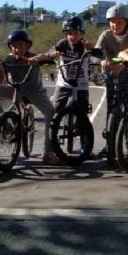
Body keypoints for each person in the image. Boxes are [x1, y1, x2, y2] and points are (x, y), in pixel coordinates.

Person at [0, 28, 58, 165]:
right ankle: (5, 124)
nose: (18, 49)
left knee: (51, 112)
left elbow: (44, 57)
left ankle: (48, 152)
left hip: (35, 92)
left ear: (28, 45)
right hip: (16, 90)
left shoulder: (33, 56)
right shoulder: (9, 59)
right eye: (14, 46)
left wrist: (35, 59)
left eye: (21, 46)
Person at [29, 16, 95, 155]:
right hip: (64, 82)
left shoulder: (85, 45)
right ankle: (51, 147)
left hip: (81, 84)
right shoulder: (62, 44)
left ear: (82, 33)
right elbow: (48, 54)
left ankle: (85, 146)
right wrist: (44, 56)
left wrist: (93, 49)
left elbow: (98, 55)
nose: (73, 36)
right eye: (69, 33)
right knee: (56, 112)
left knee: (83, 116)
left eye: (76, 33)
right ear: (65, 34)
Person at [94, 3, 128, 157]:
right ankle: (109, 146)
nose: (115, 25)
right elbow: (96, 52)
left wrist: (123, 64)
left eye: (119, 21)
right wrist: (101, 61)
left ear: (126, 22)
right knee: (111, 111)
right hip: (111, 77)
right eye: (112, 21)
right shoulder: (105, 35)